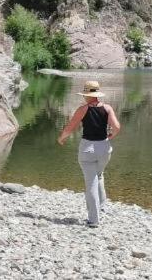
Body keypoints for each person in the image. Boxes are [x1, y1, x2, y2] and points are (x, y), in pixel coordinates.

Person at [57, 80, 121, 228]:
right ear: (97, 94)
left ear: (87, 95)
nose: (84, 97)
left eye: (85, 94)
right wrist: (110, 135)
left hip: (88, 150)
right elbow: (116, 127)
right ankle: (103, 205)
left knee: (91, 182)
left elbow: (70, 127)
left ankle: (94, 220)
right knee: (99, 175)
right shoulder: (107, 108)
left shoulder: (83, 109)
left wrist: (61, 138)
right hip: (105, 149)